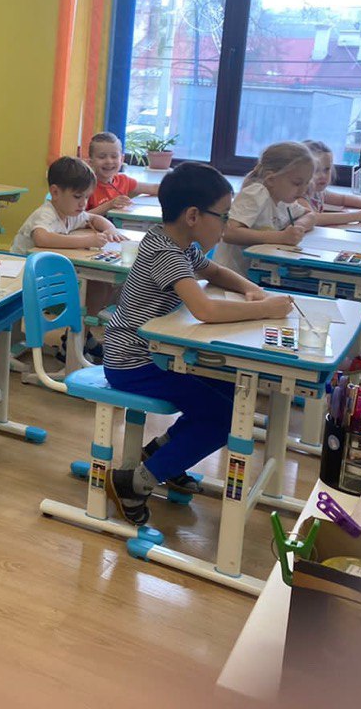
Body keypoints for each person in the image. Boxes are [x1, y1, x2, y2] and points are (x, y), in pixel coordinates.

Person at [102, 163, 293, 525]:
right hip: (133, 362)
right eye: (223, 216)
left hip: (156, 354)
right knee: (225, 417)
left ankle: (162, 454)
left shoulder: (180, 245)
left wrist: (253, 290)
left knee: (229, 388)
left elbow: (215, 272)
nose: (225, 226)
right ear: (193, 216)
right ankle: (134, 483)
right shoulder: (165, 253)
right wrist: (265, 309)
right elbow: (204, 309)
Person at [214, 141, 317, 276]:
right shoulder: (256, 193)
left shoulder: (284, 200)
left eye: (307, 183)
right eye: (297, 183)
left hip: (255, 275)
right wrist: (280, 237)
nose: (303, 190)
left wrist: (298, 227)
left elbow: (310, 215)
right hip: (229, 276)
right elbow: (229, 233)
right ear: (271, 179)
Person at [10, 156, 124, 254]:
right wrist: (87, 241)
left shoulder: (70, 212)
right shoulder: (46, 214)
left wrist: (111, 229)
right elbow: (41, 238)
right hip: (21, 265)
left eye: (86, 197)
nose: (83, 203)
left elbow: (93, 219)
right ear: (55, 192)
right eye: (77, 196)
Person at [86, 131, 157, 216]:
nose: (109, 161)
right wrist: (109, 205)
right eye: (102, 157)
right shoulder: (85, 186)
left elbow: (154, 188)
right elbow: (77, 218)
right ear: (90, 162)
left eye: (114, 156)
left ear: (122, 159)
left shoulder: (124, 181)